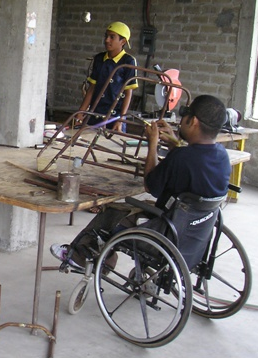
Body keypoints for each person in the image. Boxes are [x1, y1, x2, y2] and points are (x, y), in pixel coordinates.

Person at [50, 94, 231, 270]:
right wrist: (174, 144)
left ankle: (79, 255)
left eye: (186, 115)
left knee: (114, 211)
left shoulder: (181, 157)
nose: (181, 120)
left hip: (167, 230)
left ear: (193, 122)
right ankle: (105, 257)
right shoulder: (222, 156)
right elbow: (193, 164)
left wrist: (153, 143)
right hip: (192, 234)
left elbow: (150, 185)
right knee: (138, 207)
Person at [76, 21, 138, 133]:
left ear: (123, 41)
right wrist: (81, 112)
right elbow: (92, 88)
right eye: (106, 36)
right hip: (95, 114)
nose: (107, 40)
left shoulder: (128, 61)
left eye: (112, 37)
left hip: (114, 117)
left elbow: (128, 92)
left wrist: (121, 119)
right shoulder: (99, 58)